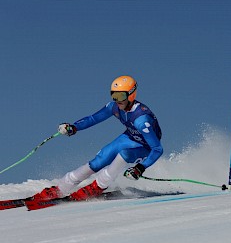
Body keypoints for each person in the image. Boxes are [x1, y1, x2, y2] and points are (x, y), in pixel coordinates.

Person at [32, 75, 163, 201]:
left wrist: (140, 168)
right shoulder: (114, 107)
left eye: (121, 96)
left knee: (125, 155)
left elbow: (157, 148)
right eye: (114, 95)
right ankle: (61, 187)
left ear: (131, 94)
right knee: (99, 161)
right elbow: (93, 118)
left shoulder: (141, 119)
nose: (117, 100)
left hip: (145, 146)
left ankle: (97, 187)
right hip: (130, 136)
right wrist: (74, 127)